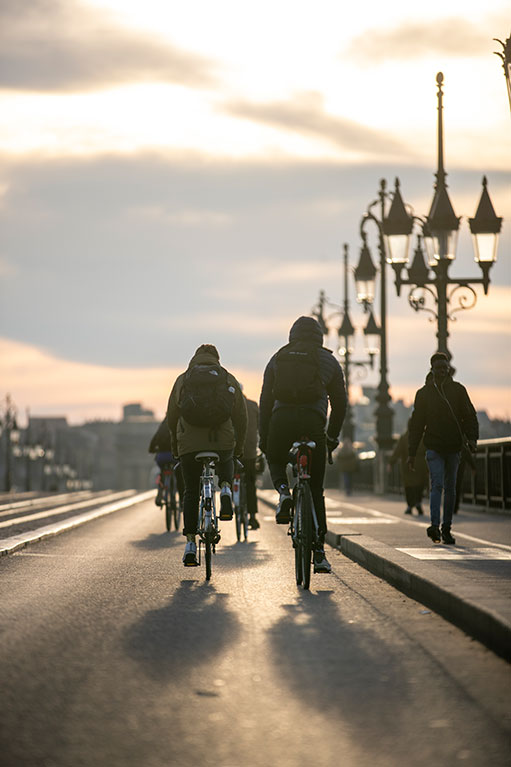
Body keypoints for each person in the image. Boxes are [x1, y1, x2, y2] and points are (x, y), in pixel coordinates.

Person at [259, 316, 347, 573]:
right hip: (312, 423)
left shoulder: (278, 357)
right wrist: (331, 437)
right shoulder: (328, 360)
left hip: (281, 420)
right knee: (316, 490)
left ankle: (284, 491)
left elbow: (265, 402)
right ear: (319, 337)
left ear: (292, 335)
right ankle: (319, 552)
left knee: (274, 457)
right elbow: (340, 404)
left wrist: (265, 438)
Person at [166, 344, 247, 566]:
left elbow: (171, 418)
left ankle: (191, 544)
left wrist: (176, 449)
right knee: (227, 456)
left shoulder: (183, 379)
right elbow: (241, 417)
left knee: (191, 492)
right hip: (222, 440)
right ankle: (227, 489)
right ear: (216, 359)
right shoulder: (227, 378)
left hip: (190, 444)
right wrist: (237, 449)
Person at [407, 352, 478, 545]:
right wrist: (411, 452)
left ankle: (446, 528)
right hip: (434, 447)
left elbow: (469, 415)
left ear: (449, 370)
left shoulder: (458, 390)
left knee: (451, 488)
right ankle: (435, 526)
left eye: (445, 368)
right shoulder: (424, 394)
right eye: (439, 368)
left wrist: (472, 439)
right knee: (438, 485)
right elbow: (416, 425)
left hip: (454, 447)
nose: (442, 372)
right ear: (432, 369)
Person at [389, 420, 427, 515]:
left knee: (409, 486)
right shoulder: (422, 437)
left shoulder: (404, 438)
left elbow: (397, 451)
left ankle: (410, 505)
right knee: (419, 485)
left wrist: (391, 462)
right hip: (420, 466)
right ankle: (418, 502)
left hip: (407, 466)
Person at [148, 419, 183, 507]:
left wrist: (153, 450)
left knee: (162, 471)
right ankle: (181, 496)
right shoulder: (178, 425)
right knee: (178, 472)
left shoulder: (162, 427)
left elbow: (153, 443)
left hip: (161, 457)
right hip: (174, 456)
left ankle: (160, 490)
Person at [242, 394, 261, 530]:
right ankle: (253, 517)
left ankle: (231, 499)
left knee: (228, 476)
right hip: (250, 452)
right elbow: (261, 427)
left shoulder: (228, 403)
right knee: (250, 483)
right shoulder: (253, 405)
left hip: (233, 451)